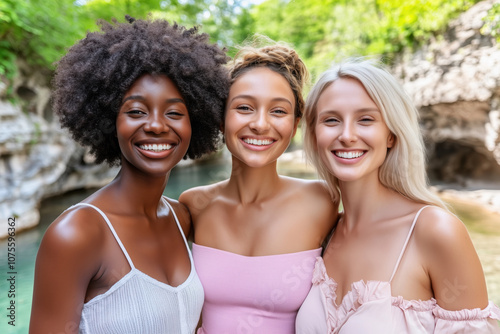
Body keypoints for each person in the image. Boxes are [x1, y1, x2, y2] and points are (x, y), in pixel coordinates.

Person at [29, 15, 229, 334]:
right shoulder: (76, 234)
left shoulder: (182, 218)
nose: (156, 125)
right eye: (136, 111)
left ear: (196, 122)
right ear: (109, 120)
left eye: (175, 113)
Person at [296, 58, 500, 333]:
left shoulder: (436, 231)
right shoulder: (322, 232)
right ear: (314, 132)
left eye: (366, 119)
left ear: (391, 134)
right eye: (331, 120)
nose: (346, 135)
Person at [179, 38, 339, 334]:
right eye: (244, 108)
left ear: (295, 123)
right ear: (220, 117)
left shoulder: (322, 201)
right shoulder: (193, 206)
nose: (261, 124)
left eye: (278, 111)